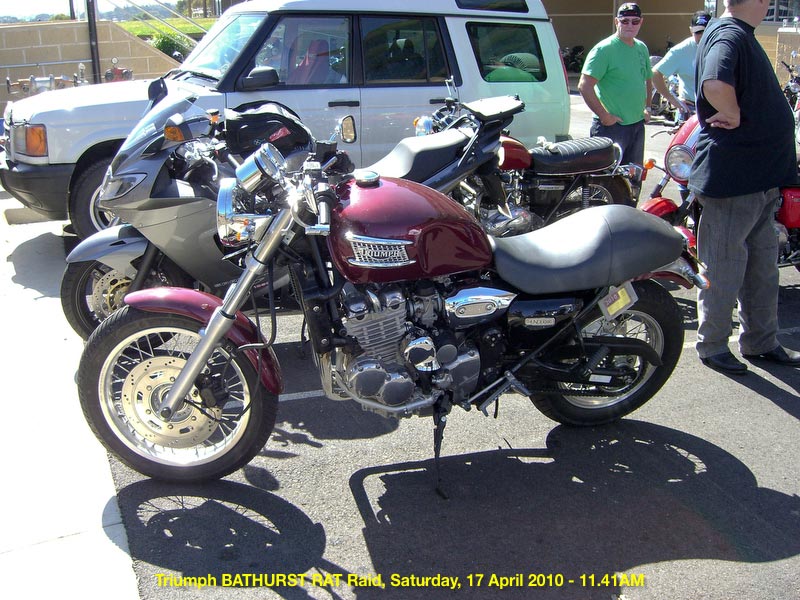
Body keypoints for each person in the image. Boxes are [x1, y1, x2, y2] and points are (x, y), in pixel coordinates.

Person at [688, 0, 800, 374]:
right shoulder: (728, 33)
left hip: (758, 179)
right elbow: (714, 82)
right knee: (724, 267)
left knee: (762, 269)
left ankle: (761, 341)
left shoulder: (739, 33)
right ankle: (713, 345)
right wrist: (731, 111)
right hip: (733, 180)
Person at [578, 2, 652, 168]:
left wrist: (648, 108)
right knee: (605, 178)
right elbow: (585, 86)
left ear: (641, 22)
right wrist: (604, 116)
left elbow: (647, 79)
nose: (630, 25)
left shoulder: (641, 48)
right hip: (611, 128)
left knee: (633, 176)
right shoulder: (604, 49)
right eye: (625, 21)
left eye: (635, 21)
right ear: (616, 21)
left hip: (637, 125)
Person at [651, 11, 711, 120]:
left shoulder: (722, 47)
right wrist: (673, 100)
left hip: (716, 109)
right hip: (690, 109)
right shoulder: (681, 50)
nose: (702, 36)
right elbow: (656, 73)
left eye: (707, 31)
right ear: (691, 30)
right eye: (698, 32)